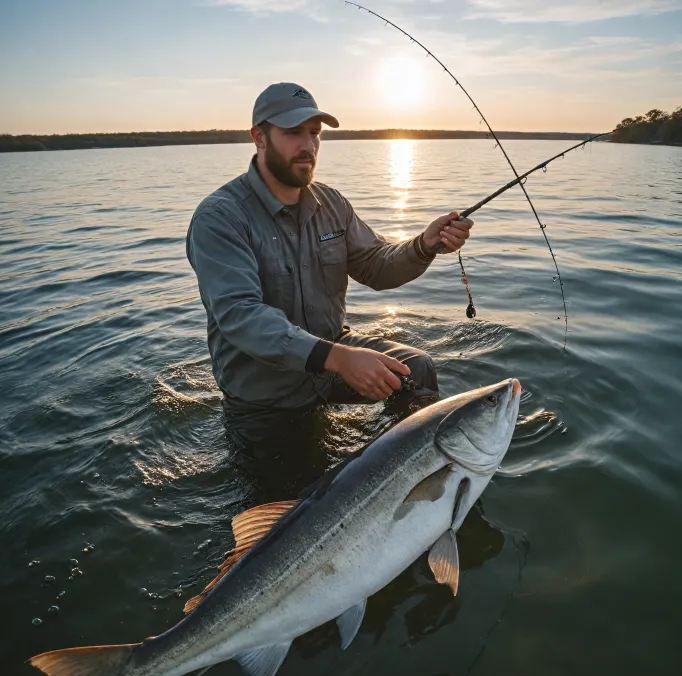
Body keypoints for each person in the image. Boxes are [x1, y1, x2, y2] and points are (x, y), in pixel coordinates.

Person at [186, 82, 473, 463]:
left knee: (415, 370)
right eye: (293, 133)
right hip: (263, 396)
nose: (308, 145)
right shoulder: (220, 218)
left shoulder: (331, 202)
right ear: (259, 137)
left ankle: (407, 475)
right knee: (286, 504)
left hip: (331, 362)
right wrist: (340, 358)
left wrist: (423, 245)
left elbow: (376, 266)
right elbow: (240, 316)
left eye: (315, 134)